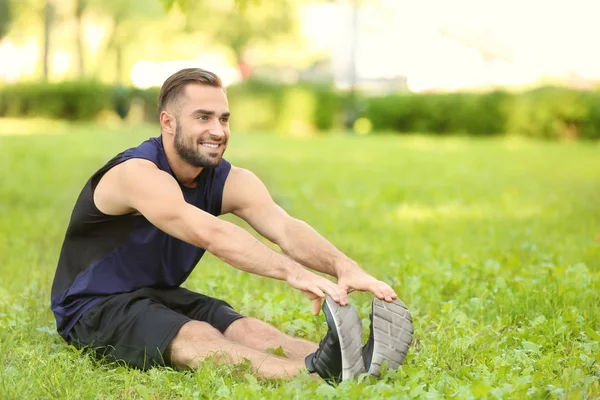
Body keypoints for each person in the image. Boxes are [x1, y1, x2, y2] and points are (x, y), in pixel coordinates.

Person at [50, 68, 413, 382]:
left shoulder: (229, 179)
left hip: (157, 292)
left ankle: (353, 364)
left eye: (223, 119)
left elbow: (284, 227)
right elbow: (210, 232)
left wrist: (345, 268)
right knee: (197, 335)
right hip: (93, 307)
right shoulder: (138, 174)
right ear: (168, 122)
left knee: (245, 328)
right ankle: (312, 375)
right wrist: (293, 272)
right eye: (203, 118)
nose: (218, 130)